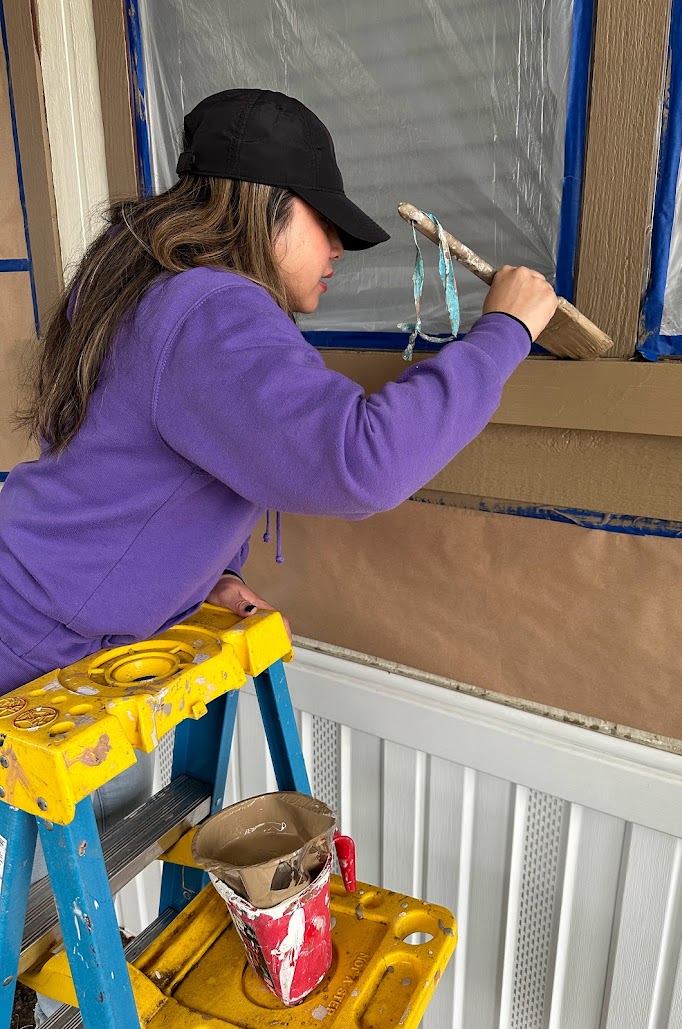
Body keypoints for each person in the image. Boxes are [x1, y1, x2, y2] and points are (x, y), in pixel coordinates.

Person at [0, 87, 555, 1019]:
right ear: (264, 204)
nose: (339, 249)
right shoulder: (214, 309)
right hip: (24, 626)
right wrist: (503, 334)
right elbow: (360, 459)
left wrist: (197, 578)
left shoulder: (168, 301)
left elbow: (129, 481)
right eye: (326, 222)